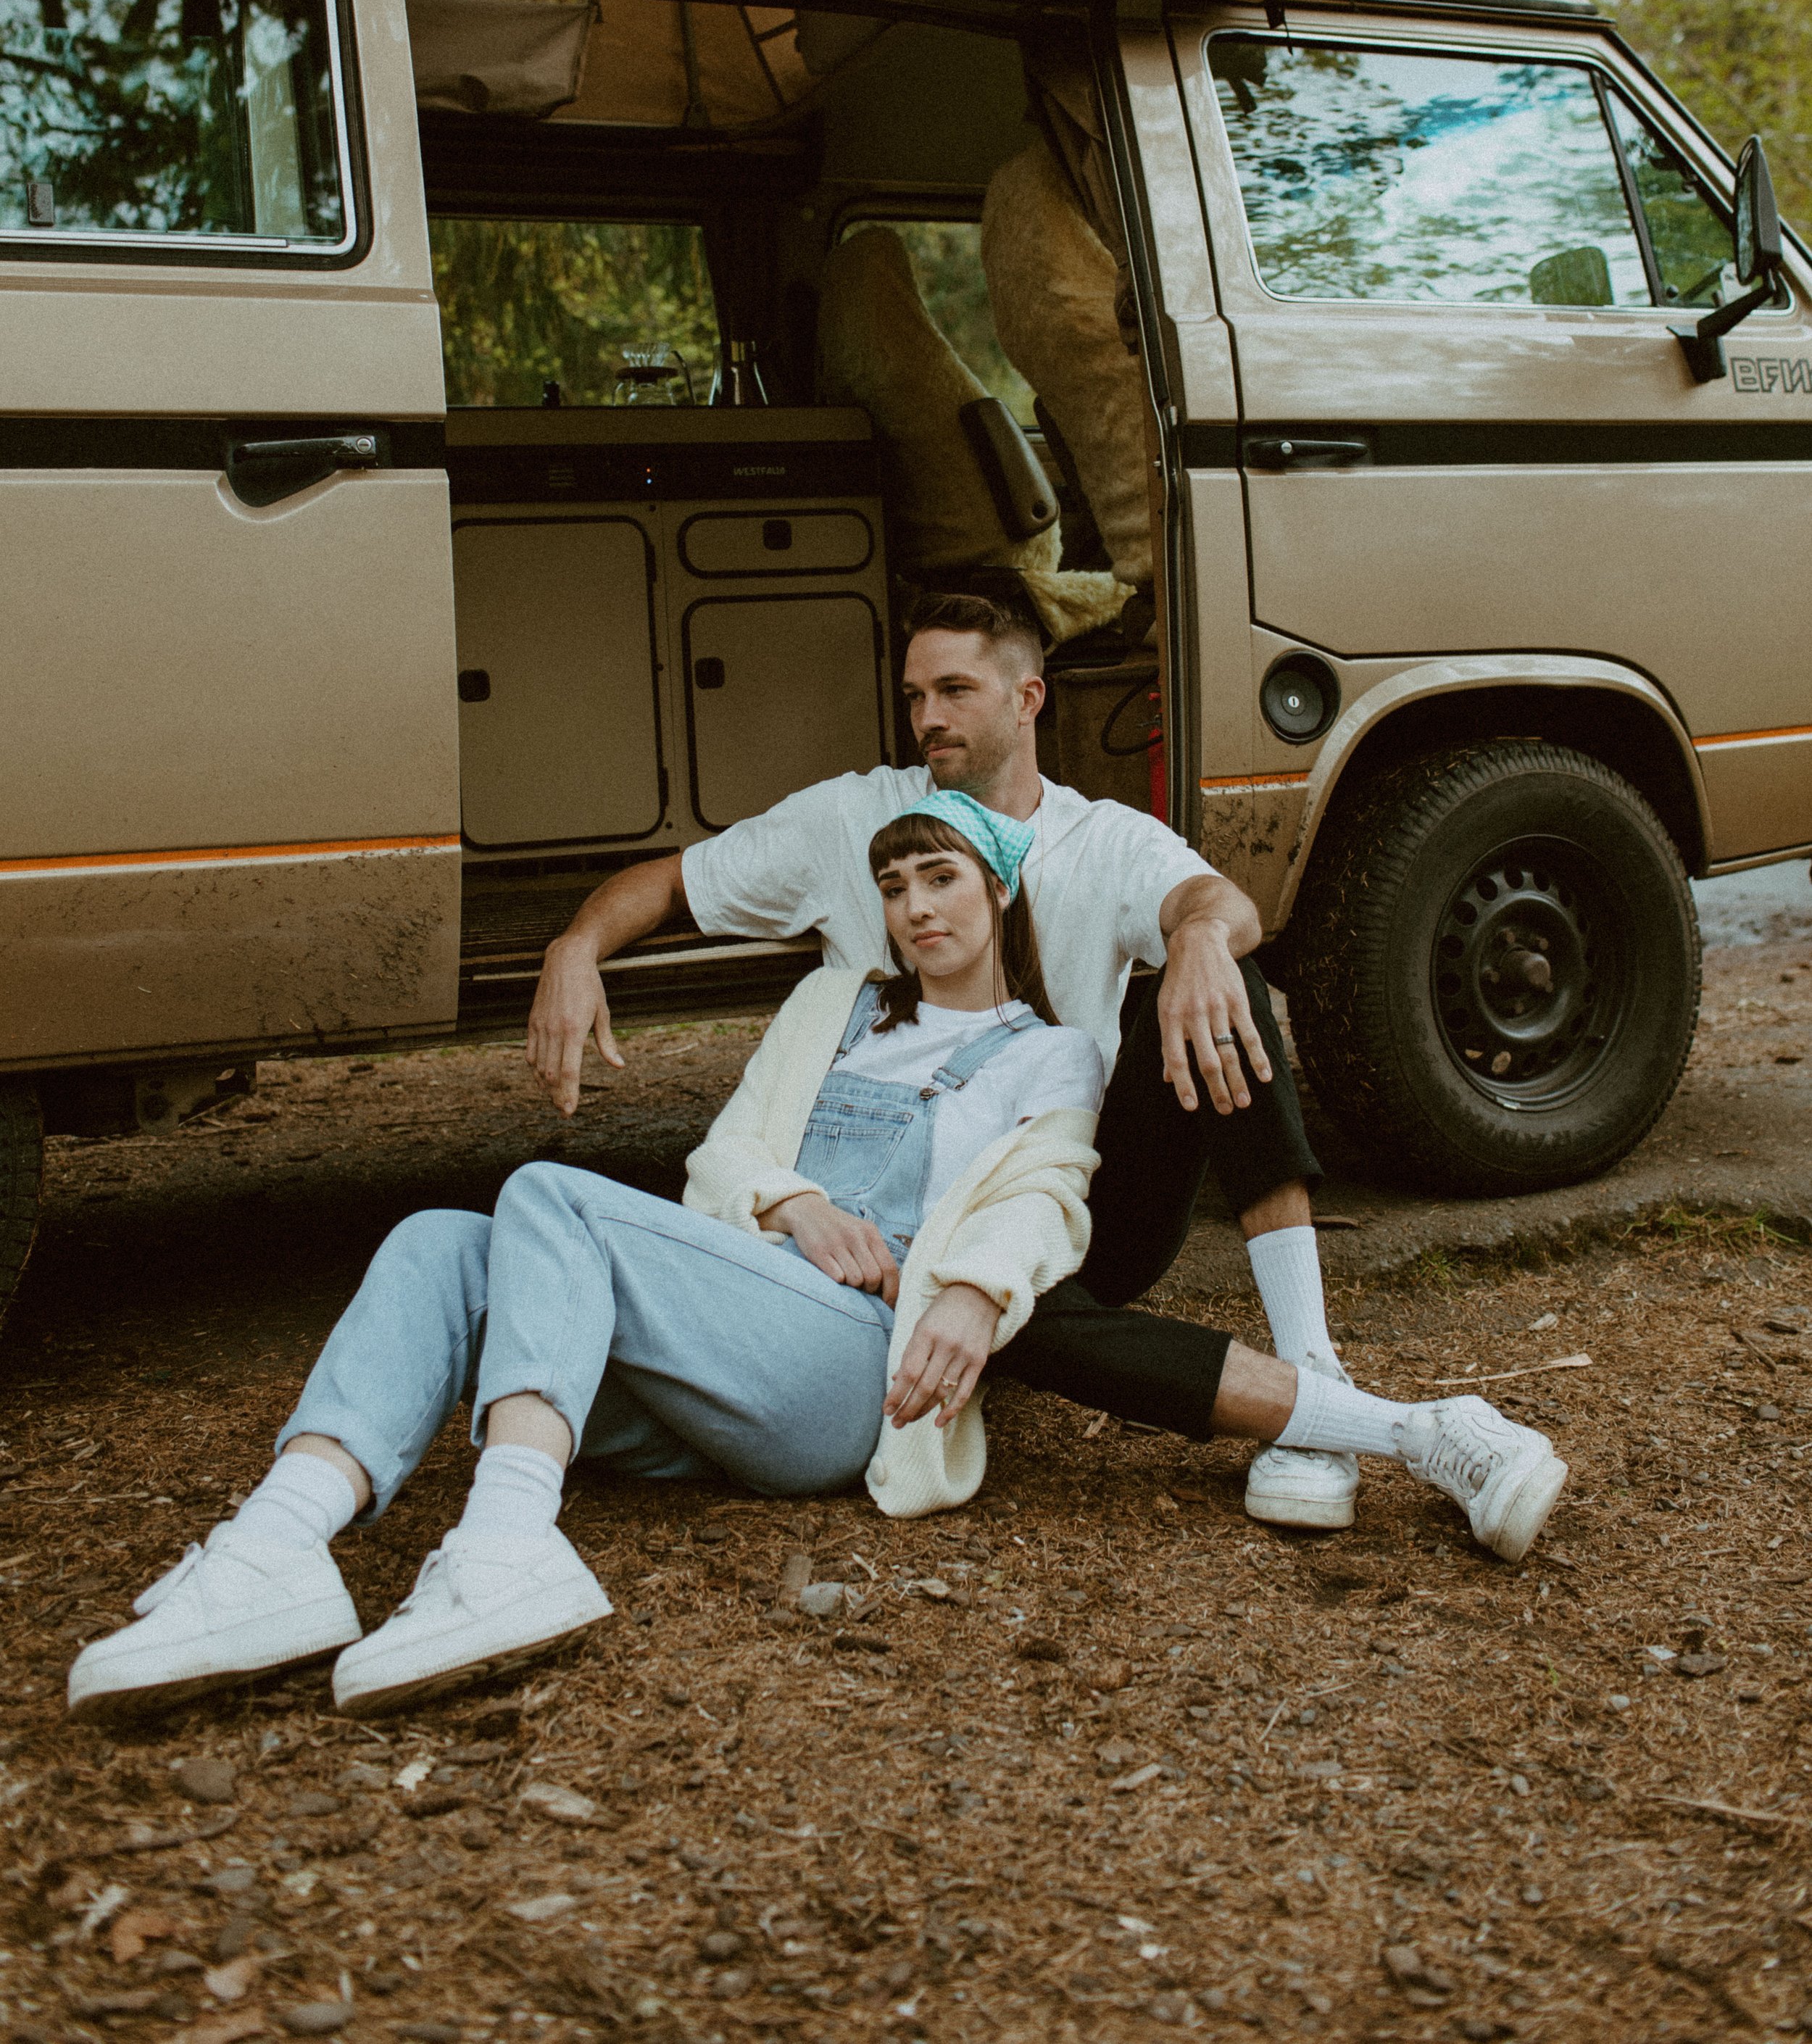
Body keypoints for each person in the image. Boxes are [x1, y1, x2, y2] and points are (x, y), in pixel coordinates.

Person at [523, 589, 1566, 1556]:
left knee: (1215, 983)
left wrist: (1202, 938)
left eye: (954, 691)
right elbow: (666, 882)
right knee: (1014, 1317)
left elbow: (1220, 905)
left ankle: (1315, 1369)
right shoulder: (853, 818)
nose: (927, 716)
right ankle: (1375, 1424)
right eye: (915, 696)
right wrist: (575, 946)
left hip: (1071, 1187)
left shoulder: (1098, 838)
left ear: (1028, 699)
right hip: (909, 1225)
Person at [65, 798, 1101, 1721]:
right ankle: (277, 1547)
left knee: (550, 1194)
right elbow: (722, 1159)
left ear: (999, 888)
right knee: (438, 1243)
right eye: (893, 886)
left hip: (849, 1370)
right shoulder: (834, 1006)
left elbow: (1047, 1196)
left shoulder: (1048, 1050)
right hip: (720, 1353)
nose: (916, 907)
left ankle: (510, 1543)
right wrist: (796, 1201)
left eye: (941, 877)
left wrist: (972, 1292)